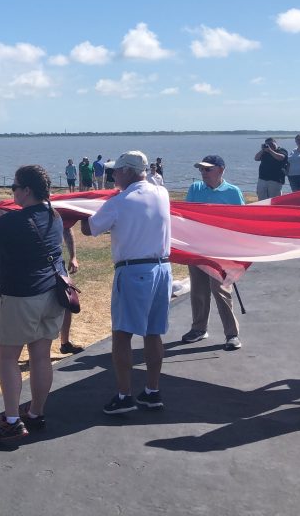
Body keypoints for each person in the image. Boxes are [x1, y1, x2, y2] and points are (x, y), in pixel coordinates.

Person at [0, 165, 76, 440]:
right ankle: (36, 412)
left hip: (20, 297)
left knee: (8, 359)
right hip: (51, 295)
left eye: (14, 187)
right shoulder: (54, 215)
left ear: (26, 190)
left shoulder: (13, 221)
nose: (12, 192)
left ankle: (13, 420)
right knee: (41, 356)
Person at [82, 151, 172, 414]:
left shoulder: (119, 202)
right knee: (153, 332)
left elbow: (91, 229)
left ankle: (124, 396)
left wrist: (76, 215)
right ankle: (152, 391)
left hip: (133, 271)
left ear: (128, 172)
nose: (113, 176)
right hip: (162, 269)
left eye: (116, 171)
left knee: (122, 335)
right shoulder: (162, 194)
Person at [182, 155, 246, 350]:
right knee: (198, 290)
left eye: (207, 169)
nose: (203, 173)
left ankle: (232, 334)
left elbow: (241, 220)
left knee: (220, 290)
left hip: (220, 250)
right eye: (201, 169)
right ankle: (199, 329)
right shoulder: (195, 189)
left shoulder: (233, 192)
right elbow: (186, 215)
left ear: (220, 170)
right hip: (197, 248)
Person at [57, 229, 82, 354]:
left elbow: (67, 230)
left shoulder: (57, 212)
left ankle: (65, 343)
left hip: (57, 266)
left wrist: (73, 257)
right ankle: (37, 352)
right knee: (40, 308)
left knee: (67, 302)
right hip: (35, 268)